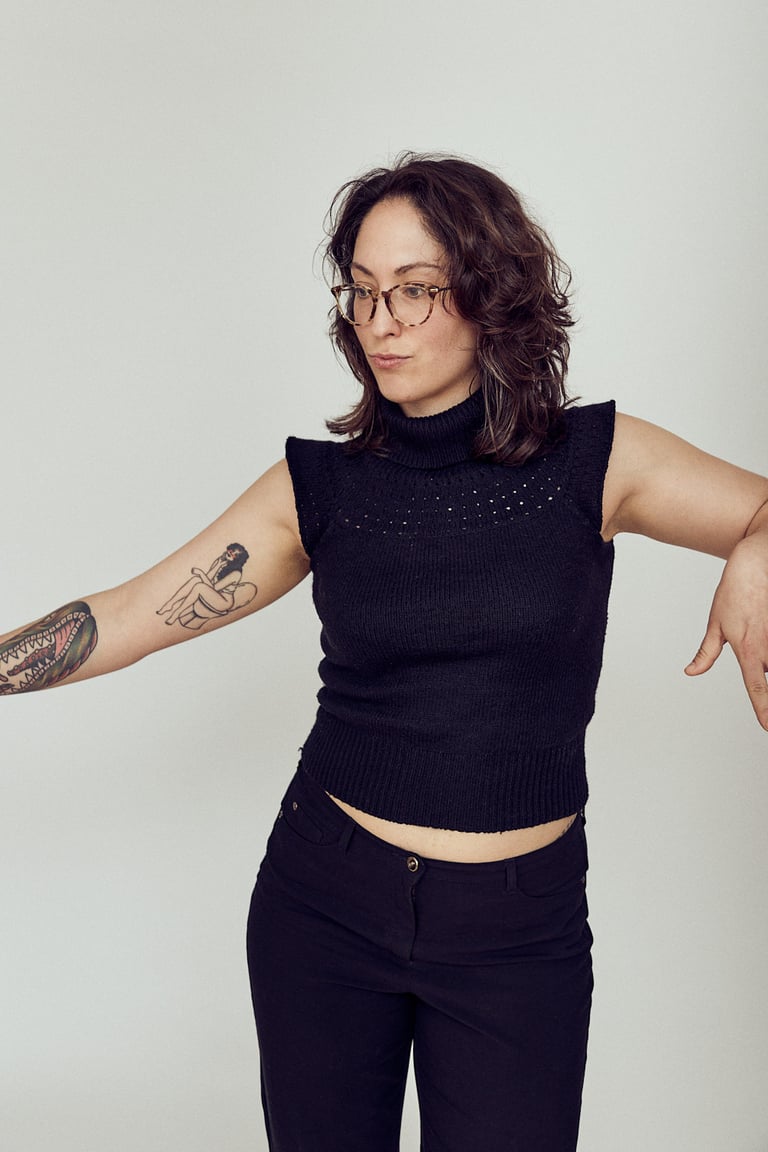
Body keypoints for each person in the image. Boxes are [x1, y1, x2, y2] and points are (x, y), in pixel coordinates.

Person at [2, 153, 767, 1151]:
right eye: (362, 293)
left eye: (414, 290)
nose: (383, 321)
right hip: (326, 901)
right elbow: (133, 612)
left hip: (516, 930)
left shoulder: (596, 460)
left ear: (489, 294)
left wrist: (757, 545)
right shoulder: (320, 489)